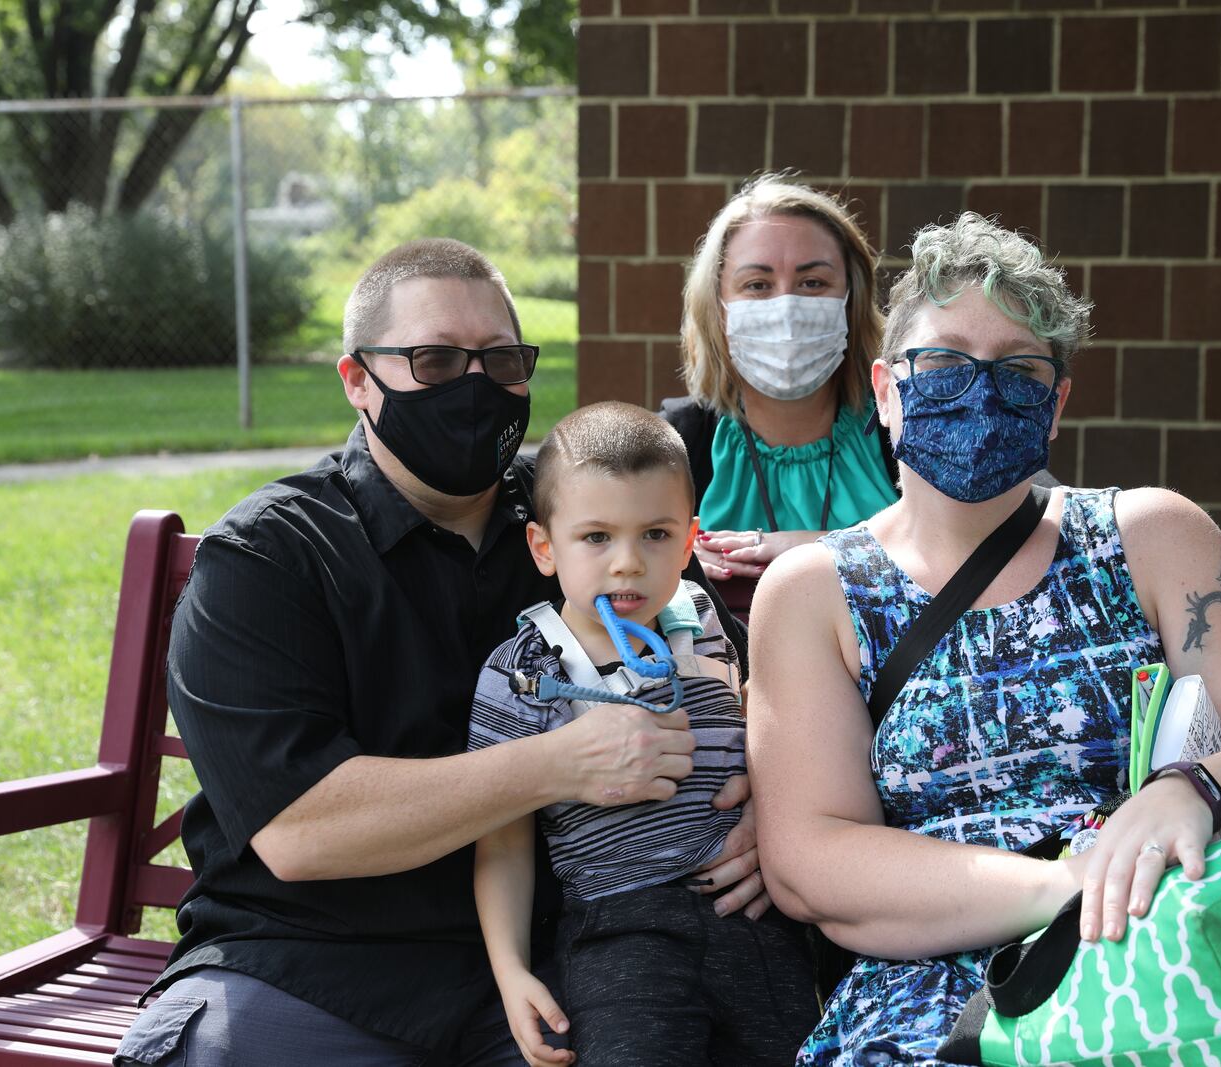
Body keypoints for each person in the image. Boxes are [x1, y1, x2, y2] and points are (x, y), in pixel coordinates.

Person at [114, 239, 765, 1066]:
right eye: (434, 359)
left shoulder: (588, 520)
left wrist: (765, 806)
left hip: (560, 966)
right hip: (307, 964)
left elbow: (740, 677)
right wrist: (558, 763)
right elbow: (302, 828)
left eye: (500, 360)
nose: (475, 386)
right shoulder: (269, 558)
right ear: (358, 380)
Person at [744, 213, 1221, 1063]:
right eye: (946, 361)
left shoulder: (1149, 536)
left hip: (1160, 964)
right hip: (934, 1003)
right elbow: (812, 861)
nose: (981, 390)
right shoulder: (815, 591)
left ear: (1057, 402)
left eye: (1020, 370)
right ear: (887, 389)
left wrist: (1196, 791)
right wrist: (1065, 885)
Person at [469, 401, 817, 1067]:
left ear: (689, 542)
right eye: (596, 537)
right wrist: (511, 973)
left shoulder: (707, 625)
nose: (627, 563)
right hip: (621, 934)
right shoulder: (524, 672)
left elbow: (761, 731)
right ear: (545, 547)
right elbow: (503, 845)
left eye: (654, 535)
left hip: (751, 920)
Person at [660, 175, 900, 587]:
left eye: (813, 283)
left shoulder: (903, 431)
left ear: (851, 301)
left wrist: (822, 550)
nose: (787, 306)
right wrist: (662, 552)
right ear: (718, 309)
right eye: (757, 285)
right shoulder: (676, 444)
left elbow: (961, 548)